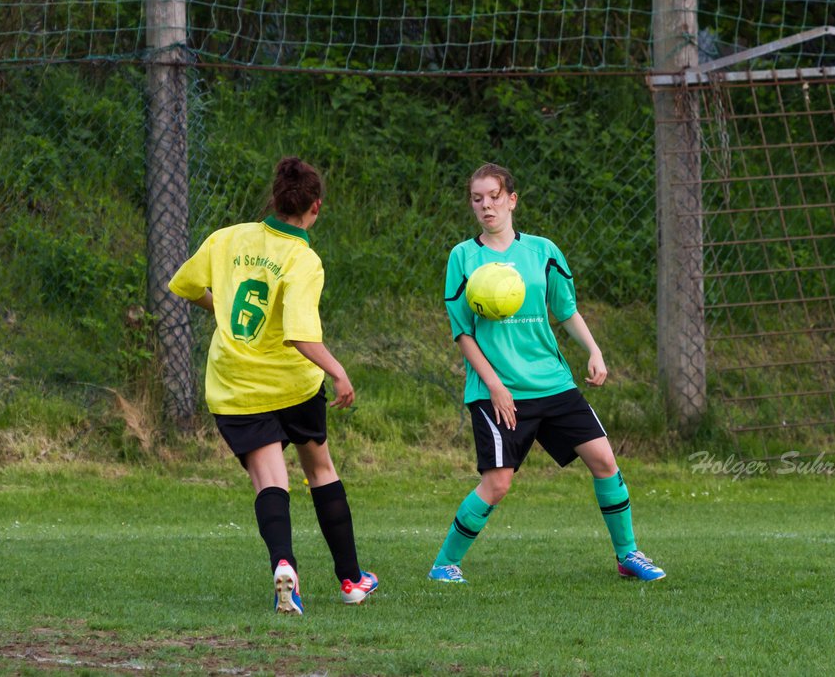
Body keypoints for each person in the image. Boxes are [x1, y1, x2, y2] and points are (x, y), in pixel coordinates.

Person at [427, 163, 665, 584]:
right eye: (478, 198)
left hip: (552, 382)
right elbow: (462, 333)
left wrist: (593, 350)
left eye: (494, 196)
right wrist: (496, 386)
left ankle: (628, 555)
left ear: (512, 200)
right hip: (496, 389)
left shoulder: (543, 252)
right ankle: (445, 563)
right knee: (497, 484)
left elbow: (566, 309)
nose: (486, 206)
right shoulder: (463, 257)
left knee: (604, 461)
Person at [169, 156, 377, 615]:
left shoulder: (229, 239)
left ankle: (284, 566)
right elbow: (300, 335)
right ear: (315, 208)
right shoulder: (303, 259)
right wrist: (338, 370)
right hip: (294, 386)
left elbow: (184, 284)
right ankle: (352, 581)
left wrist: (220, 308)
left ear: (275, 199)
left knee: (270, 479)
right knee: (320, 470)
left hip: (236, 385)